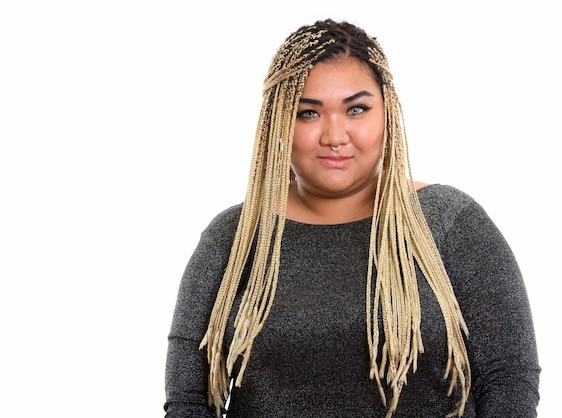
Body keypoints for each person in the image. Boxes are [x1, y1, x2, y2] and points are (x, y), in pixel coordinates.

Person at [164, 19, 540, 417]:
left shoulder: (450, 222)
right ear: (277, 124)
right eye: (308, 113)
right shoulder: (234, 239)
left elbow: (507, 381)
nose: (334, 135)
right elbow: (188, 400)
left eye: (356, 109)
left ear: (387, 113)